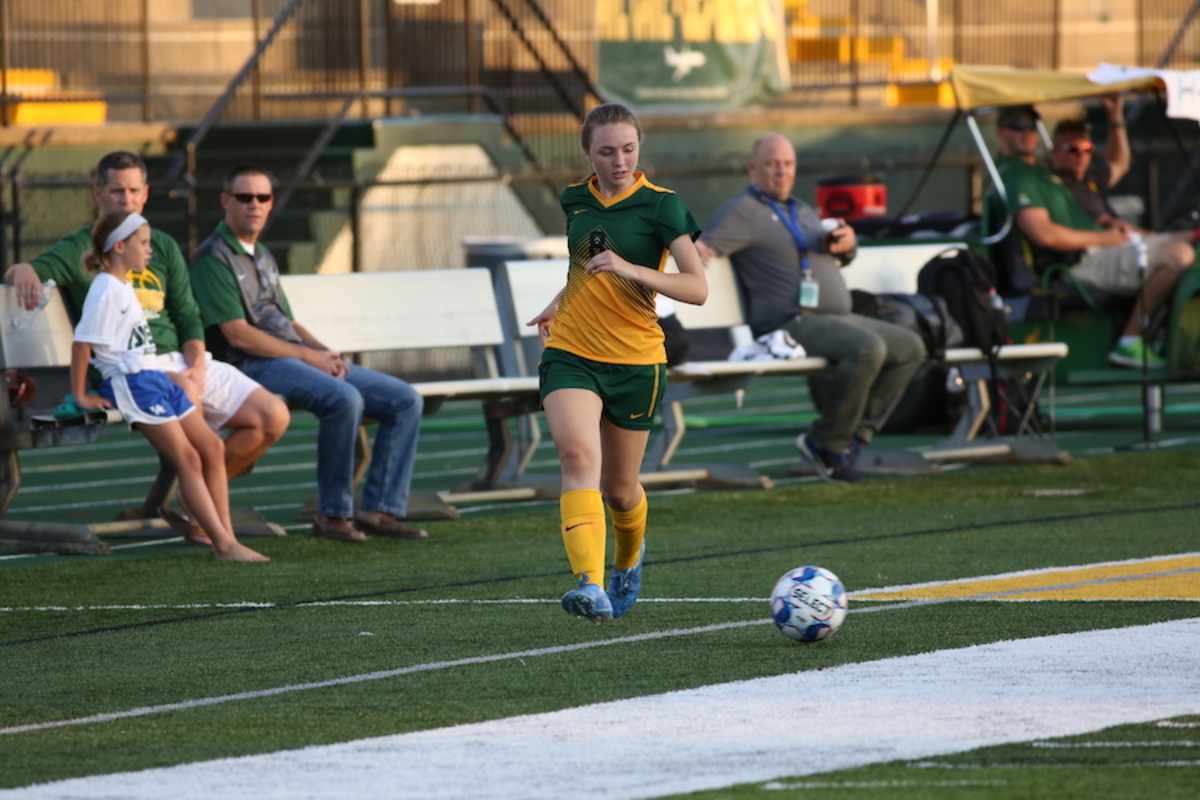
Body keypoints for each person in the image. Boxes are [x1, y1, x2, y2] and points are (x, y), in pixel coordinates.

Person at [5, 151, 290, 543]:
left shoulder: (159, 246)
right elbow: (35, 276)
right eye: (117, 191)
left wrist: (197, 369)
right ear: (98, 194)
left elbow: (188, 316)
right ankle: (213, 525)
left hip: (181, 362)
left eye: (133, 190)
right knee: (195, 445)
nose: (126, 199)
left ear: (146, 194)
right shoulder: (84, 249)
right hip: (134, 371)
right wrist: (20, 270)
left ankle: (202, 510)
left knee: (272, 415)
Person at [526, 103, 707, 622]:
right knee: (577, 456)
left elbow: (696, 288)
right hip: (572, 351)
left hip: (636, 361)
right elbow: (587, 268)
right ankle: (591, 585)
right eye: (606, 151)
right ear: (588, 153)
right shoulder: (575, 200)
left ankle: (628, 561)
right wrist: (559, 304)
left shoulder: (663, 206)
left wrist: (634, 270)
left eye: (628, 149)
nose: (619, 160)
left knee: (621, 491)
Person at [189, 164, 428, 543]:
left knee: (405, 399)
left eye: (262, 197)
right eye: (244, 197)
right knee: (343, 398)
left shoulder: (262, 254)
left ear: (271, 204)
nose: (254, 205)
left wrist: (324, 352)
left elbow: (288, 321)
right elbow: (239, 336)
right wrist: (307, 357)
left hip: (291, 357)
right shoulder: (213, 258)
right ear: (225, 202)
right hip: (251, 364)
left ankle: (379, 510)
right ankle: (332, 516)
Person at [696, 133, 925, 483]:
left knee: (910, 347)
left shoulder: (800, 209)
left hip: (834, 317)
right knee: (868, 348)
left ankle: (853, 441)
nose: (781, 171)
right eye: (772, 163)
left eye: (787, 164)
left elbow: (832, 252)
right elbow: (703, 249)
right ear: (752, 168)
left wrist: (847, 246)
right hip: (789, 322)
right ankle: (827, 443)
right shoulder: (742, 210)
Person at [71, 212, 269, 562]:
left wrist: (170, 376)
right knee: (188, 458)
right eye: (143, 243)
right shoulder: (104, 289)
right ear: (119, 246)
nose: (150, 251)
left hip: (153, 378)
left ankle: (225, 535)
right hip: (134, 384)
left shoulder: (122, 285)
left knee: (210, 447)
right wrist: (80, 395)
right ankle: (223, 545)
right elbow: (83, 343)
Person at [995, 104, 1194, 368]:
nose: (1027, 132)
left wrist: (1114, 115)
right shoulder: (1019, 177)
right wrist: (1104, 238)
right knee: (1178, 256)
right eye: (1017, 126)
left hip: (1104, 249)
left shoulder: (1045, 175)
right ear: (1000, 133)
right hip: (1078, 266)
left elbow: (1116, 168)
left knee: (1192, 239)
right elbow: (1042, 234)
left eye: (1031, 125)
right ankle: (1130, 341)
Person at [1049, 95, 1130, 228]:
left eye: (1087, 148)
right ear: (1055, 153)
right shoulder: (1058, 185)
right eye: (1072, 149)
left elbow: (1120, 165)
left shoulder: (1088, 178)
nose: (1081, 155)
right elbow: (1107, 223)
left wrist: (1115, 116)